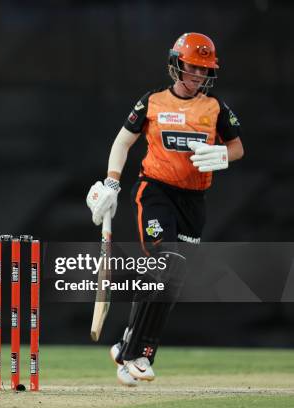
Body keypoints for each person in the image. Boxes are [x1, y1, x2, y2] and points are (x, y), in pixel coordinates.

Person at [86, 32, 244, 386]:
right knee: (166, 264)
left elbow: (237, 147)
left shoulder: (215, 108)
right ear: (176, 65)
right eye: (192, 68)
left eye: (204, 70)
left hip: (193, 201)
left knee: (173, 280)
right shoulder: (152, 102)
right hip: (155, 192)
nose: (197, 76)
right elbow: (122, 142)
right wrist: (112, 181)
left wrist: (222, 155)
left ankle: (127, 344)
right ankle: (139, 354)